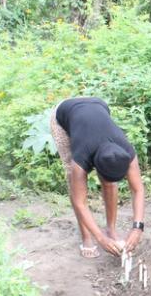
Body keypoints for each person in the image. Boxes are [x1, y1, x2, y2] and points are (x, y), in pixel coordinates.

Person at [50, 97, 145, 258]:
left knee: (110, 184)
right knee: (74, 183)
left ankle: (111, 230)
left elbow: (138, 190)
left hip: (97, 105)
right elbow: (80, 202)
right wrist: (99, 238)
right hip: (63, 114)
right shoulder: (81, 159)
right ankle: (86, 237)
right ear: (95, 167)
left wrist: (137, 227)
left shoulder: (127, 152)